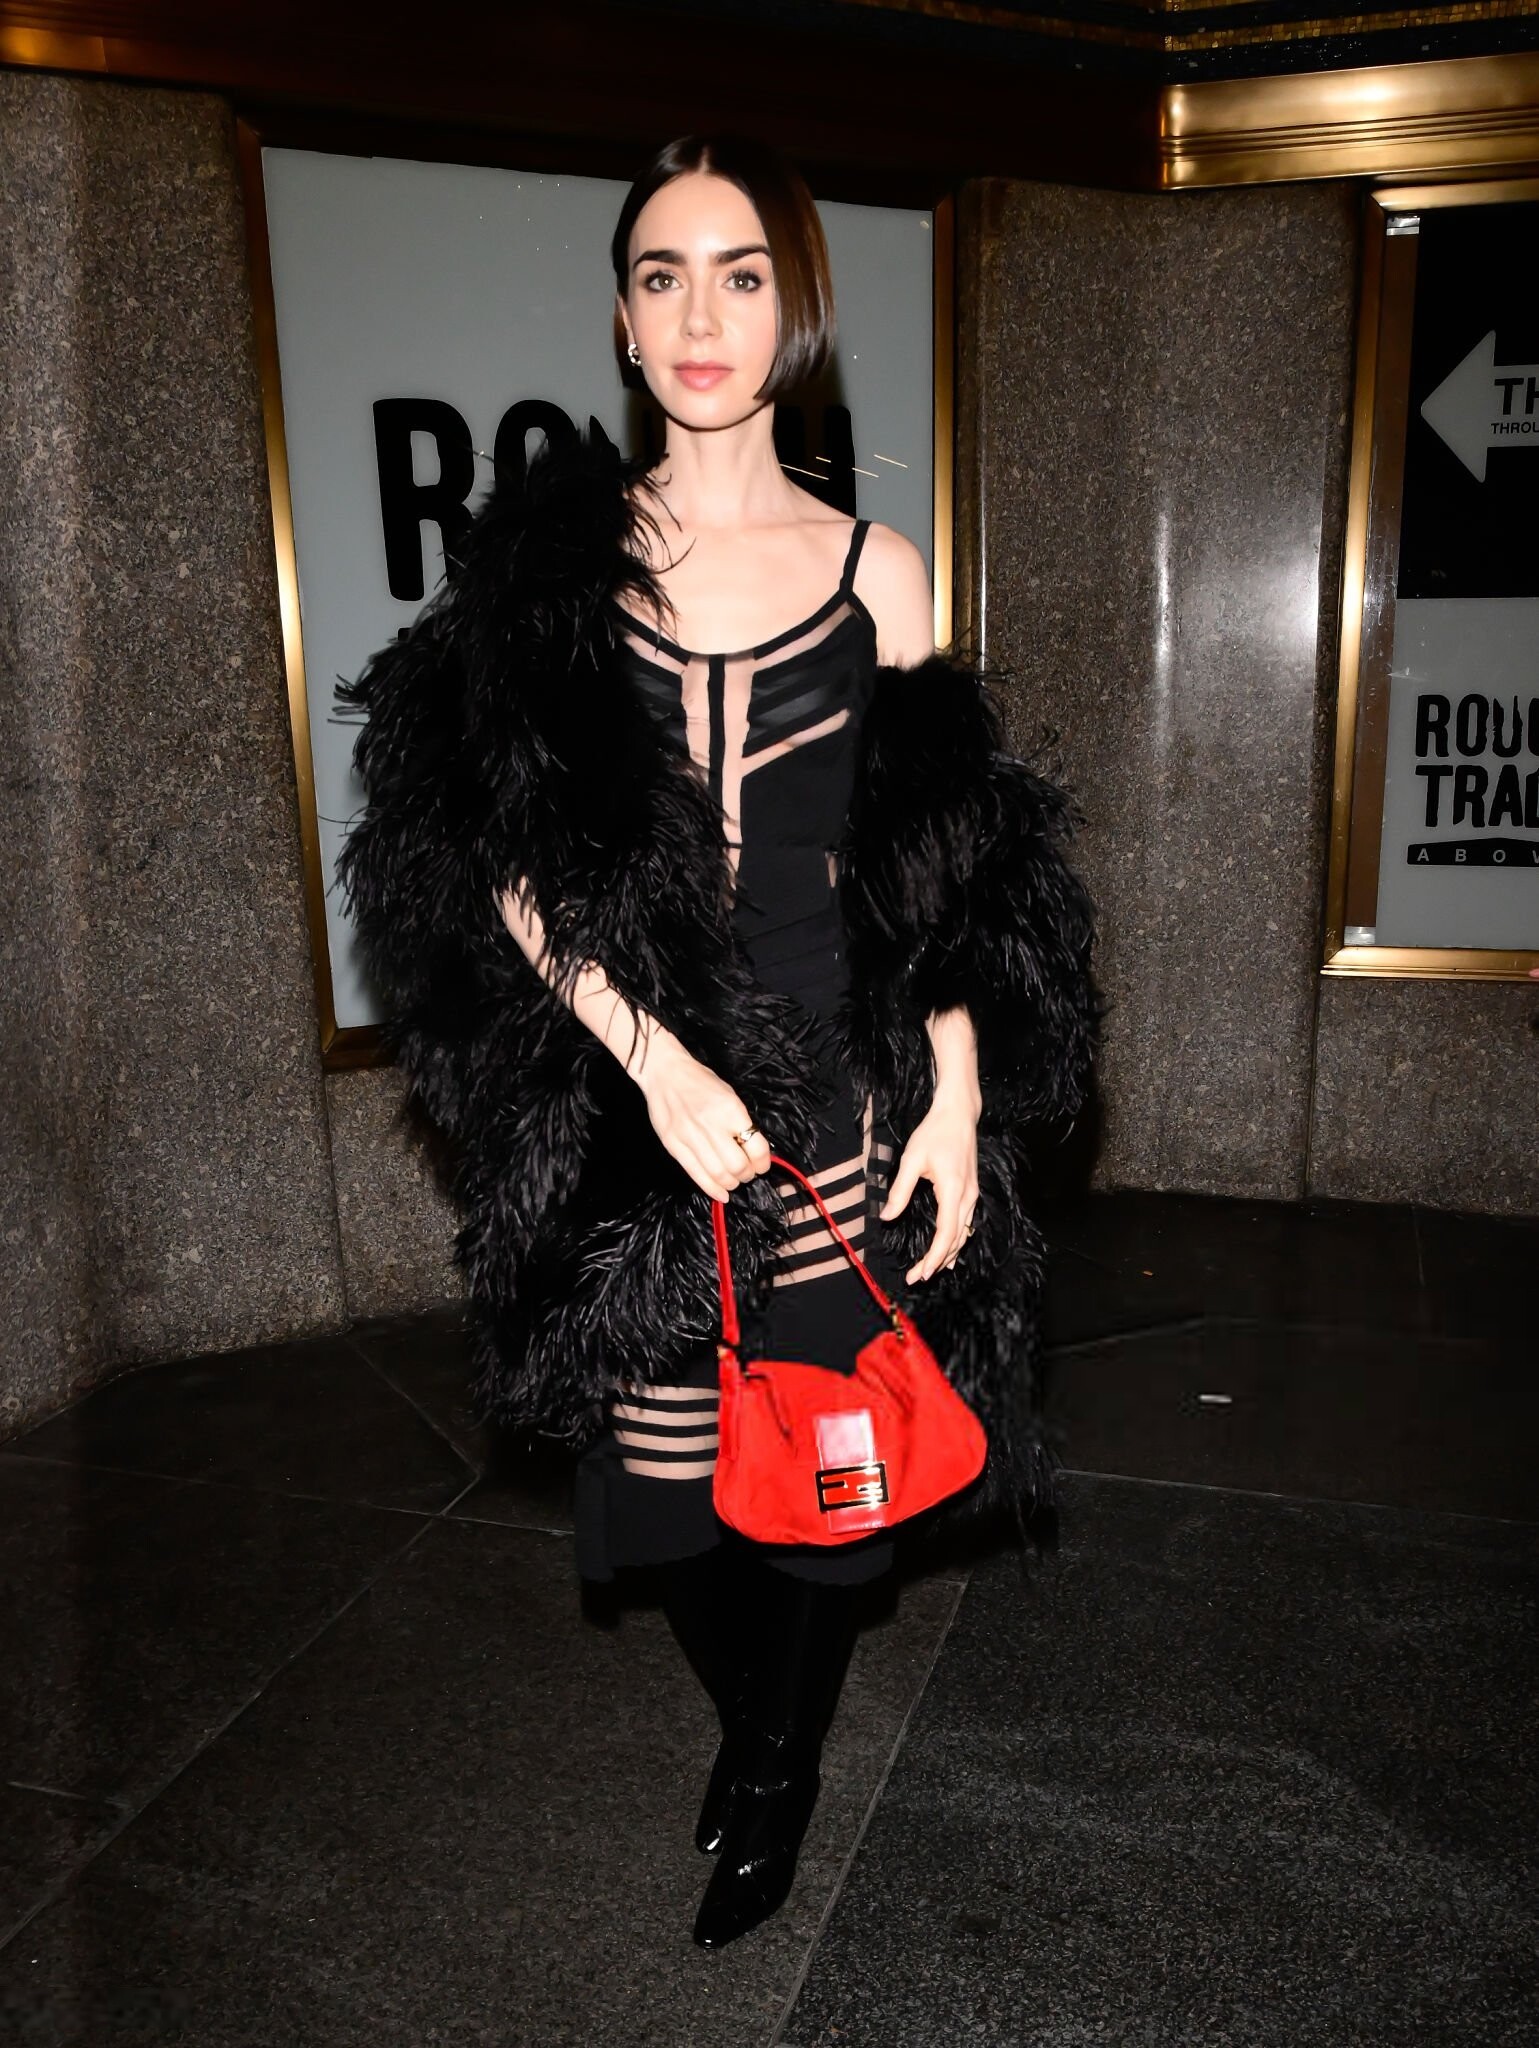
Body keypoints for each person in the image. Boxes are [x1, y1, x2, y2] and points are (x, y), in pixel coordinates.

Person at [335, 133, 1095, 1949]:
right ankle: (766, 1720)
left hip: (842, 1095)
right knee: (668, 1492)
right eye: (663, 275)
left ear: (793, 308)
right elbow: (502, 857)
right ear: (621, 316)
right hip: (638, 1104)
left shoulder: (878, 571)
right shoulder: (552, 571)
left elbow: (936, 871)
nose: (700, 314)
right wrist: (651, 1059)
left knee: (829, 1484)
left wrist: (957, 1098)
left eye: (740, 275)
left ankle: (772, 1762)